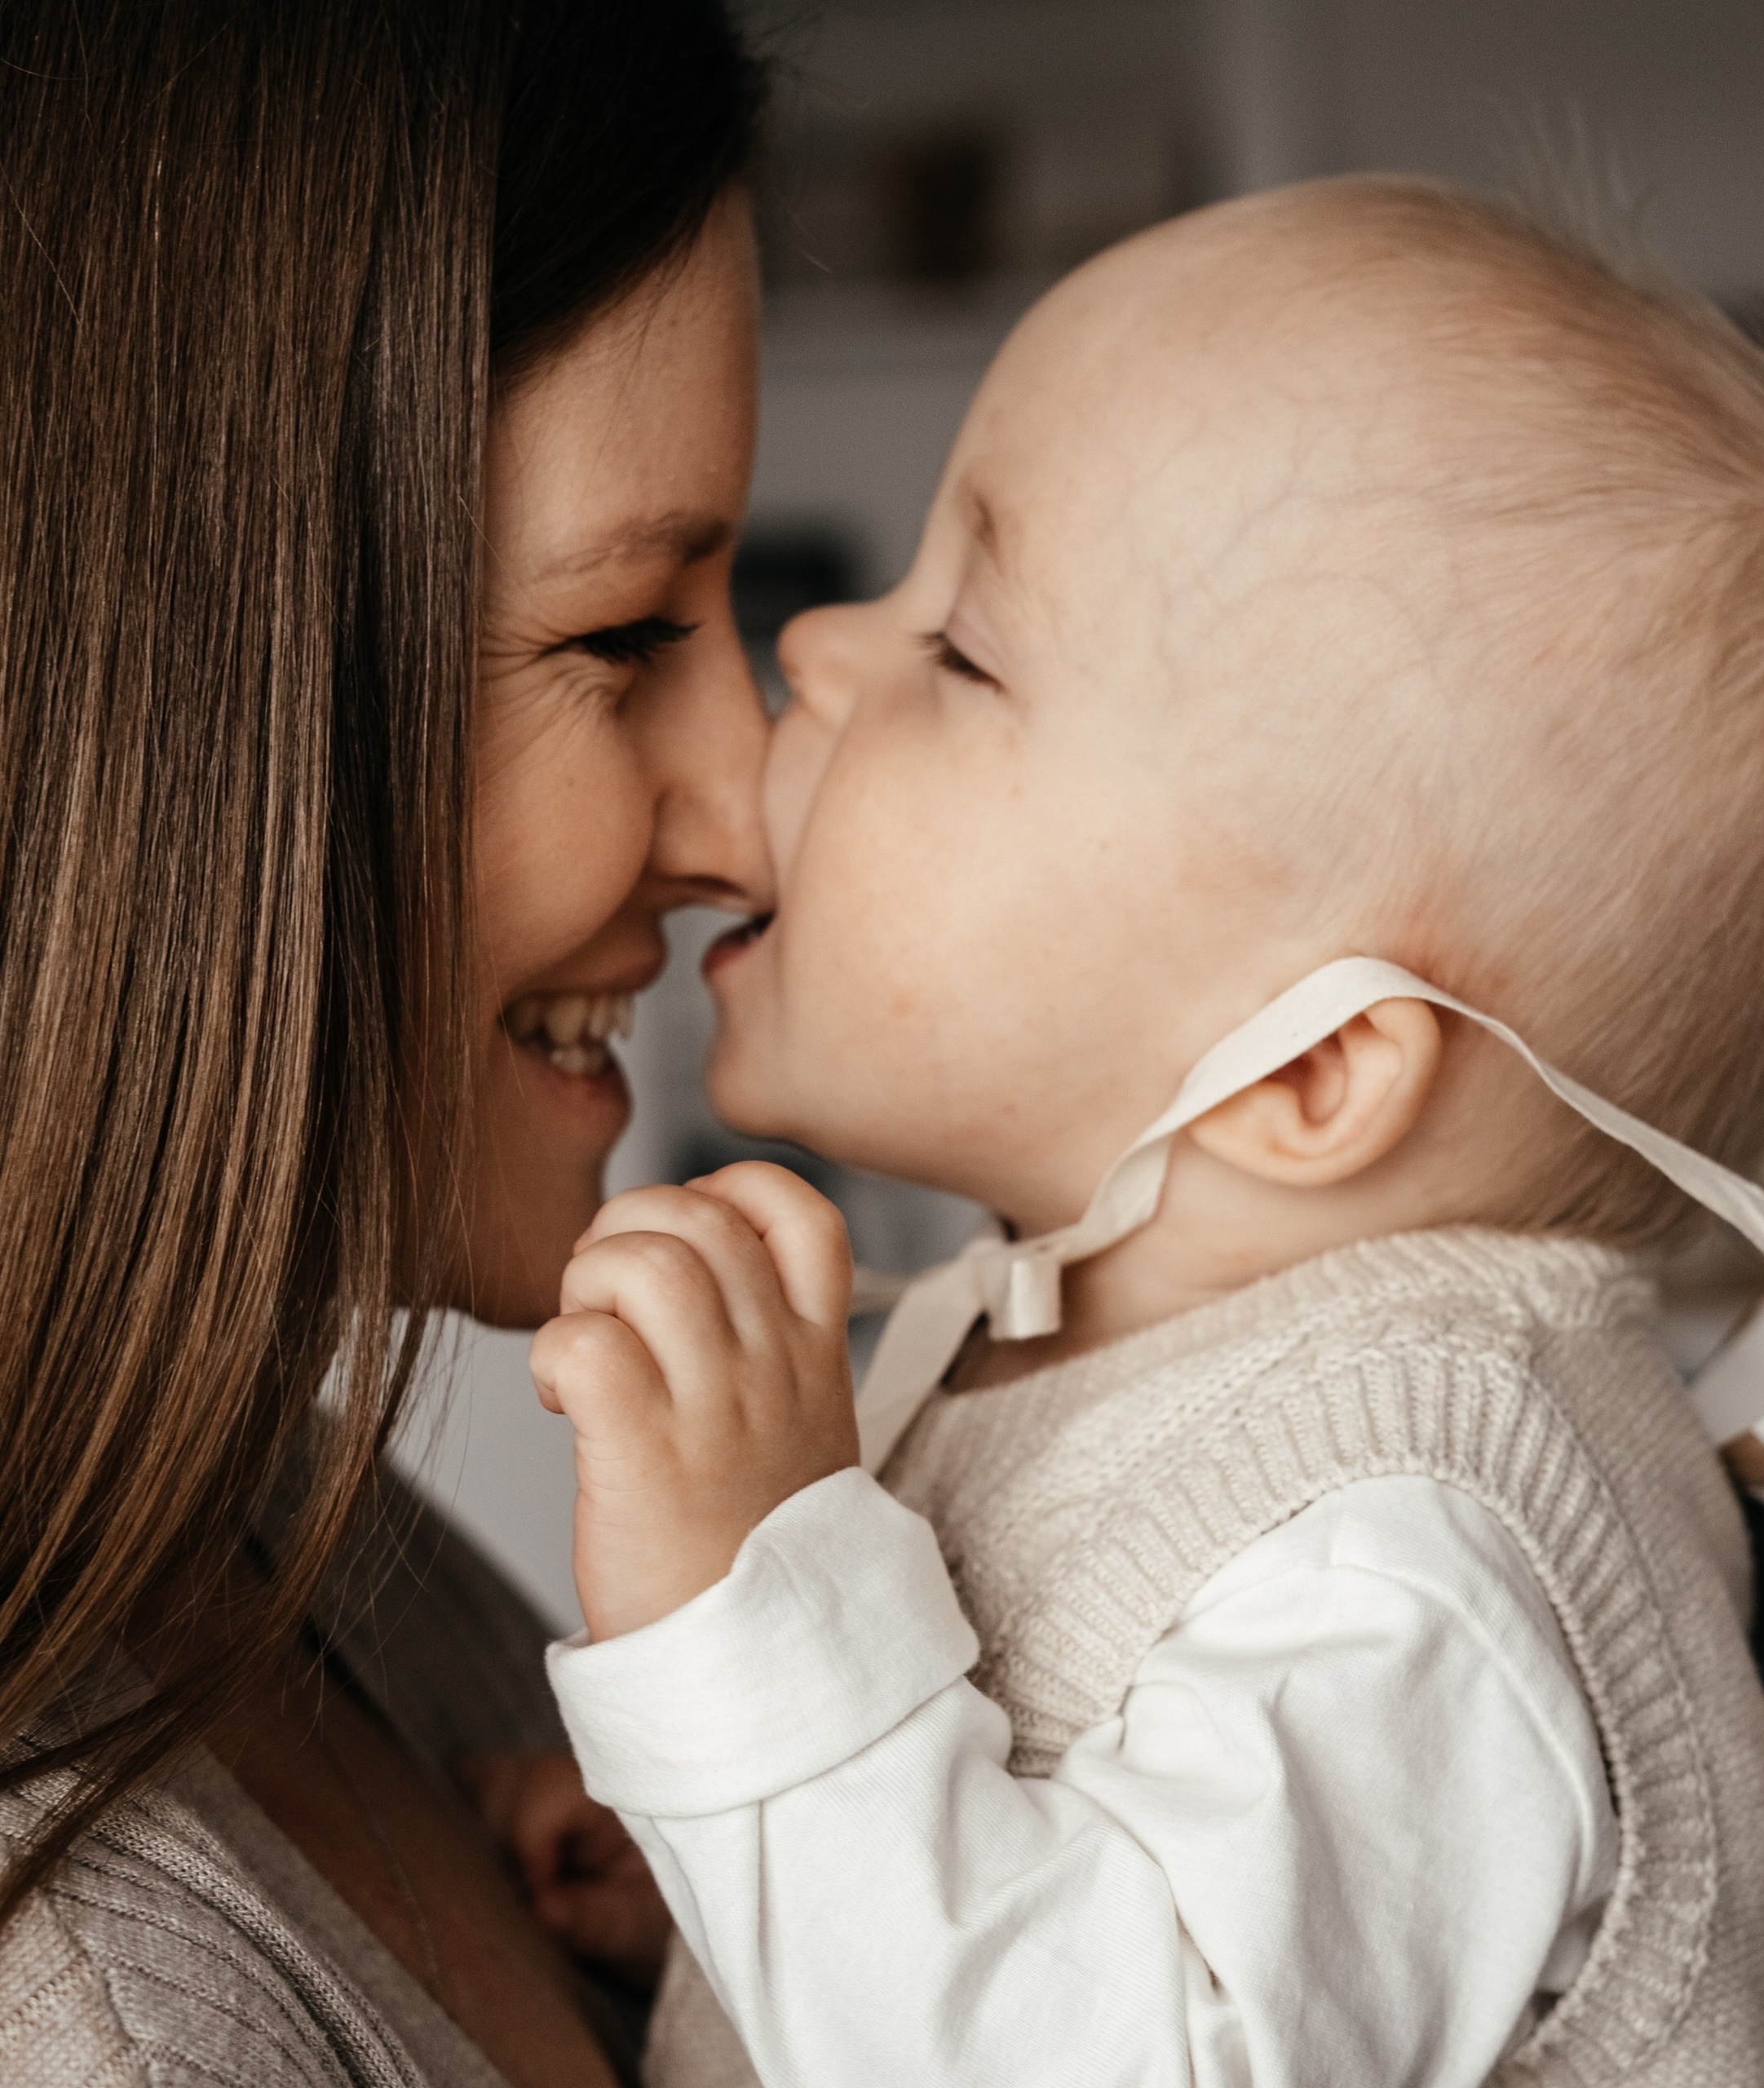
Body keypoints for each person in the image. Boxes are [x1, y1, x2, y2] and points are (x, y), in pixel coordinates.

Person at [526, 179, 1764, 2086]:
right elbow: (1055, 1892)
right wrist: (711, 1890)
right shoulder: (1122, 1364)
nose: (824, 641)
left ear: (1297, 1075)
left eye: (964, 649)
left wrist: (743, 1624)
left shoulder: (1408, 1548)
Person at [0, 4, 774, 2083]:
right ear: (169, 711)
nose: (752, 811)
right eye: (623, 635)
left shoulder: (274, 1532)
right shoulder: (86, 2010)